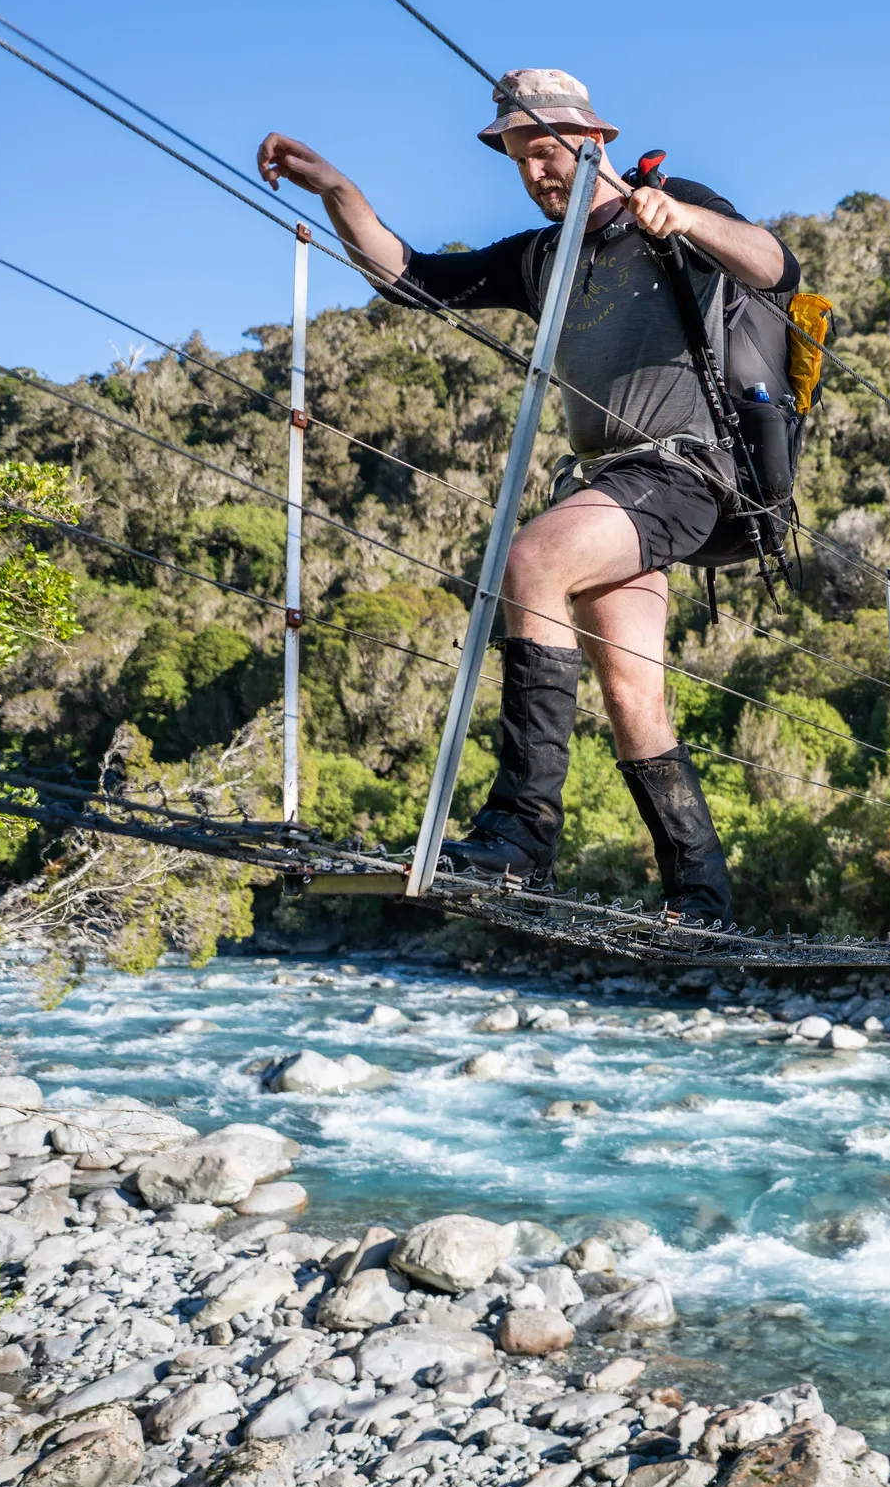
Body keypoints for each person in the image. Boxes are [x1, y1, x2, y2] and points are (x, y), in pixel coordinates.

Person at [256, 69, 797, 924]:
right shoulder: (540, 257)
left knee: (532, 557)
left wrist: (682, 217)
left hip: (687, 472)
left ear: (595, 142)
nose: (538, 173)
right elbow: (412, 279)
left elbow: (773, 265)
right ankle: (703, 895)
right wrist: (336, 190)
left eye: (548, 152)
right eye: (520, 159)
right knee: (631, 694)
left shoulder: (666, 206)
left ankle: (521, 833)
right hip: (611, 487)